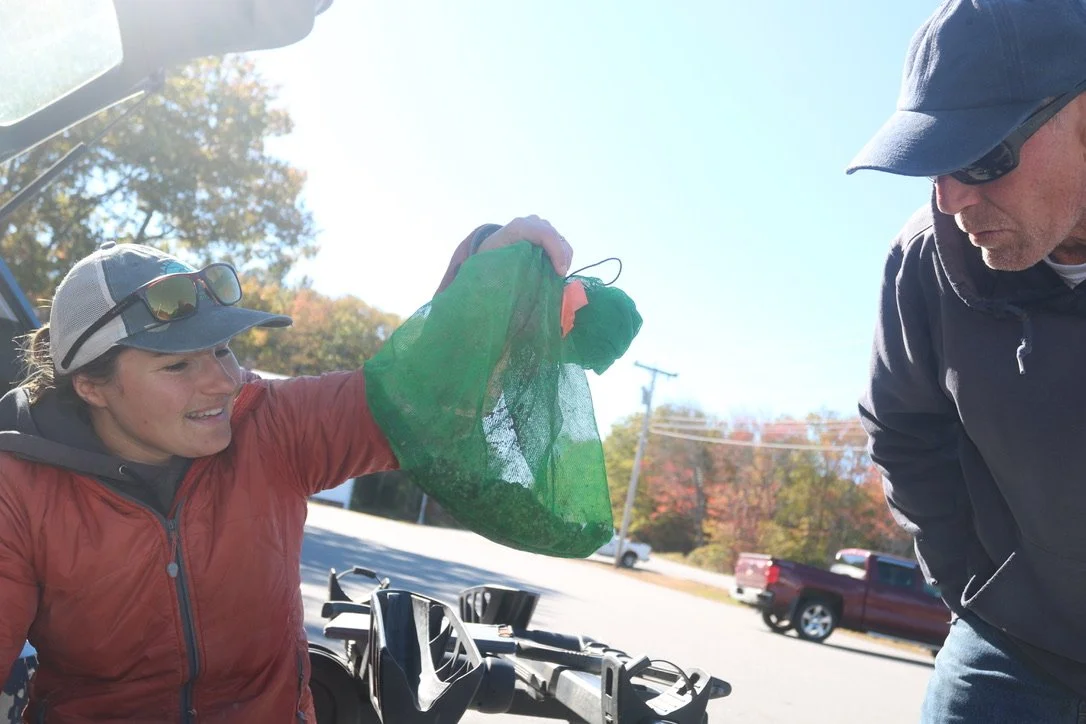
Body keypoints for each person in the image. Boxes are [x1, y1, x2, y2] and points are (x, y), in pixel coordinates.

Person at [0, 215, 573, 722]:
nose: (224, 382)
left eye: (223, 349)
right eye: (176, 365)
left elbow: (416, 404)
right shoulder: (17, 486)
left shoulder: (269, 426)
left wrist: (487, 283)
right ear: (92, 387)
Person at [848, 0, 1086, 721]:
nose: (951, 200)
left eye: (980, 156)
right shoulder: (925, 260)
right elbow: (905, 435)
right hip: (1016, 650)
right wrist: (980, 590)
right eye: (932, 165)